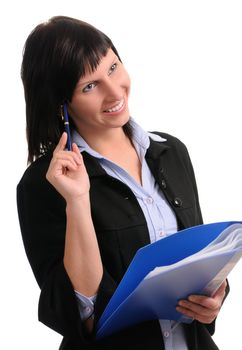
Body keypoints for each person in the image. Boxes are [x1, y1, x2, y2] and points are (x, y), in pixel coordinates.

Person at [17, 16, 229, 350]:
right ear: (63, 105)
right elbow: (81, 313)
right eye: (90, 86)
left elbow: (200, 256)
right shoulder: (44, 185)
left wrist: (215, 294)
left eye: (113, 68)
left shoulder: (172, 152)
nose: (115, 92)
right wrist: (78, 201)